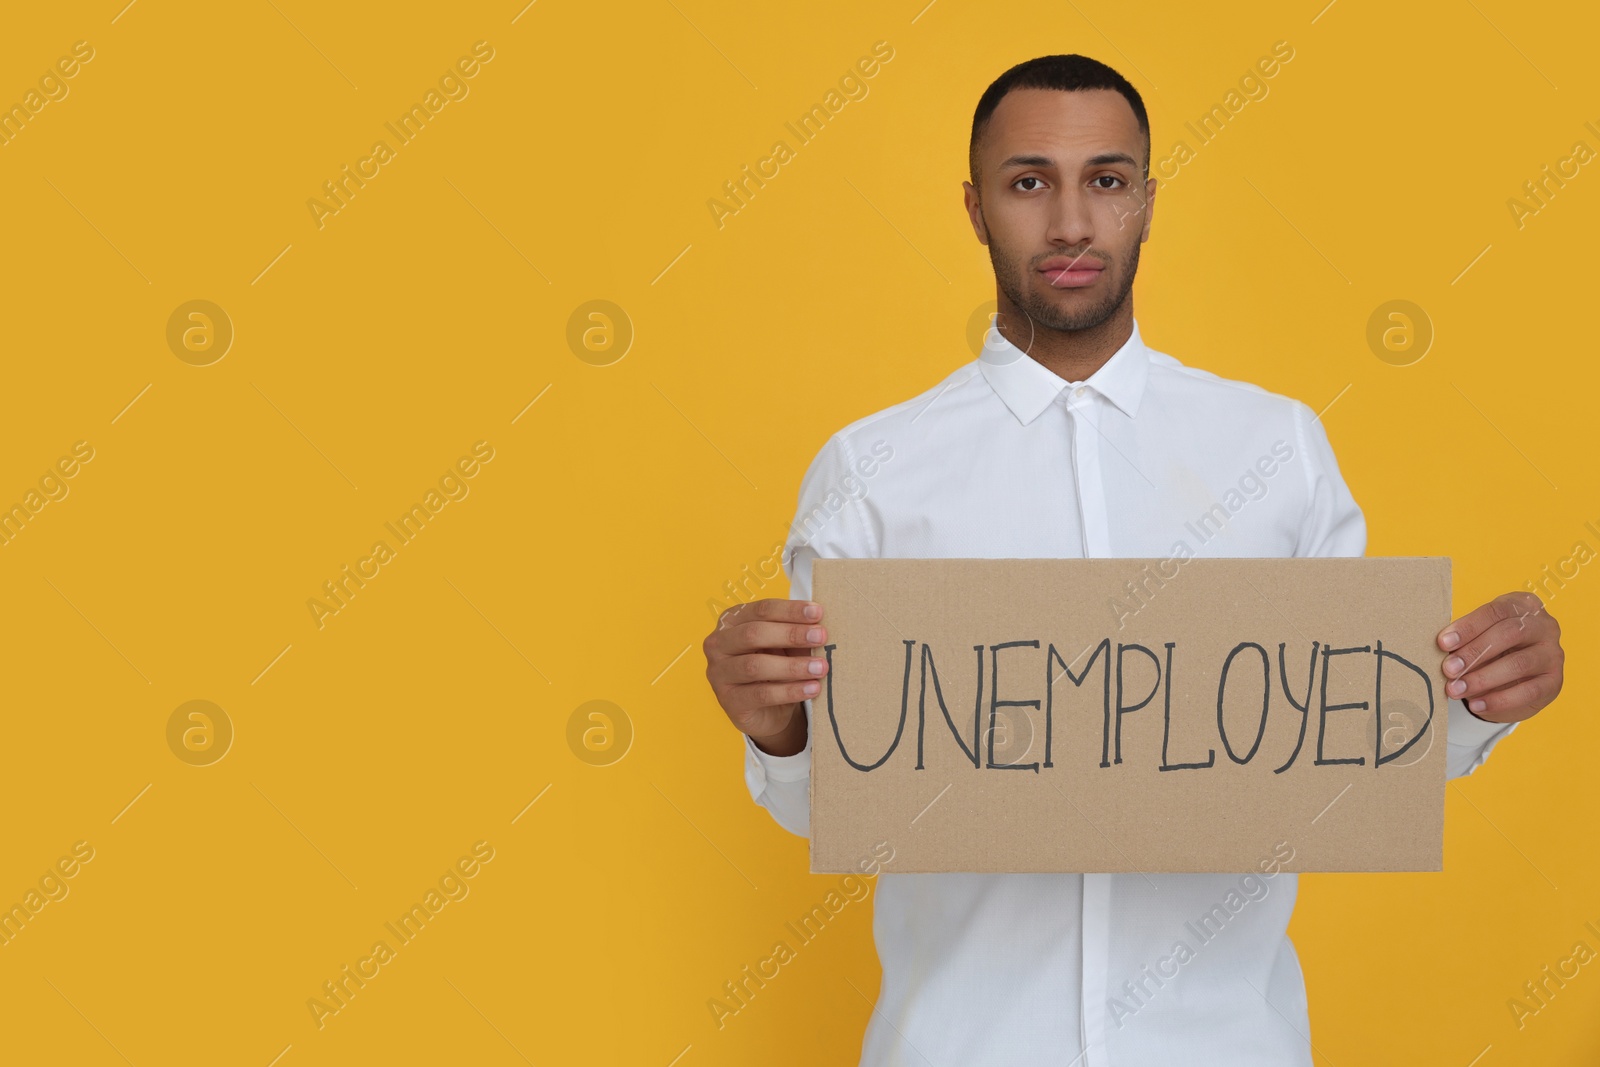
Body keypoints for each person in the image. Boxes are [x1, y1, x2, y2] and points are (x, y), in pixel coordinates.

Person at [701, 54, 1565, 1066]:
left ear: (1147, 202)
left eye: (1105, 181)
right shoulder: (871, 469)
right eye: (1030, 182)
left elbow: (1347, 755)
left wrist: (1474, 700)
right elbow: (836, 811)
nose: (1070, 222)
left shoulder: (1275, 449)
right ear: (976, 207)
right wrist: (778, 730)